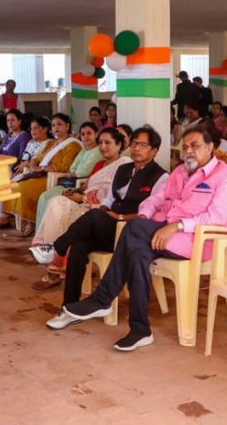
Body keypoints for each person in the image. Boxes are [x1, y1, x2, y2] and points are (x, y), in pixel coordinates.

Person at [45, 127, 227, 351]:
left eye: (195, 146)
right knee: (137, 251)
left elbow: (217, 217)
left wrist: (175, 226)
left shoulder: (225, 176)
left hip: (198, 240)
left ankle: (102, 299)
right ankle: (140, 330)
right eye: (185, 146)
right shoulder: (180, 172)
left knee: (134, 229)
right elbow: (157, 200)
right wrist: (146, 217)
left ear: (210, 147)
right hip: (164, 233)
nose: (188, 151)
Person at [34, 127, 166, 324]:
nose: (137, 149)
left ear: (154, 151)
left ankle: (55, 248)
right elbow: (110, 199)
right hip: (110, 227)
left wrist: (119, 216)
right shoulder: (122, 170)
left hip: (131, 231)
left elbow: (152, 213)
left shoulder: (161, 177)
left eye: (143, 145)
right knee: (79, 246)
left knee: (94, 215)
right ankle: (69, 308)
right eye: (135, 144)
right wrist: (105, 210)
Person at [29, 127, 130, 288]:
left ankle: (53, 267)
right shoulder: (99, 164)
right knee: (56, 202)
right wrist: (76, 192)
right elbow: (88, 184)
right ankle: (53, 260)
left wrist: (83, 198)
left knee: (59, 207)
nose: (103, 146)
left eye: (108, 143)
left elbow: (116, 195)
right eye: (101, 142)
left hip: (100, 211)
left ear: (119, 145)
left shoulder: (125, 164)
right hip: (83, 203)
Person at [3, 114, 82, 236]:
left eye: (59, 124)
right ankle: (28, 220)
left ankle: (32, 222)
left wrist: (45, 167)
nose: (56, 127)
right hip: (41, 174)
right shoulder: (52, 143)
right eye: (53, 125)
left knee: (24, 189)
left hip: (54, 178)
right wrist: (33, 164)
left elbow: (66, 166)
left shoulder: (73, 144)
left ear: (67, 126)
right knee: (15, 185)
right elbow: (38, 157)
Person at [32, 122, 103, 231]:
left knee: (53, 199)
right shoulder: (84, 151)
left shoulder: (97, 151)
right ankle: (41, 232)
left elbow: (83, 172)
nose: (86, 137)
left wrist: (74, 173)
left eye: (89, 133)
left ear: (96, 134)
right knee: (44, 197)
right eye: (83, 134)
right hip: (69, 182)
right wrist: (73, 172)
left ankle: (52, 232)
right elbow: (72, 168)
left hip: (80, 185)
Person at [0, 110, 33, 228]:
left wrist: (9, 167)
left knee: (2, 180)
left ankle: (2, 217)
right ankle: (0, 215)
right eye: (8, 120)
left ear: (20, 121)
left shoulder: (24, 135)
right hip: (4, 167)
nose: (10, 123)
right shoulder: (8, 136)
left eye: (13, 120)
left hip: (14, 169)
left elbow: (22, 156)